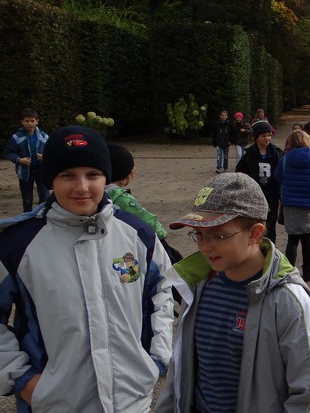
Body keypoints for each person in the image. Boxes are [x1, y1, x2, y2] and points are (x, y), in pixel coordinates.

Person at [0, 125, 173, 412]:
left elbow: (162, 291)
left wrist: (157, 359)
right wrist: (23, 380)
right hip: (56, 404)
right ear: (50, 179)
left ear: (106, 177)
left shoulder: (137, 234)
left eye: (93, 175)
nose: (82, 187)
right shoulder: (18, 244)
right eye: (67, 175)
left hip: (131, 400)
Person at [156, 172, 310, 412]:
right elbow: (180, 370)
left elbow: (307, 393)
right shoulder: (197, 285)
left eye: (218, 235)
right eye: (199, 235)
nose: (205, 247)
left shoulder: (287, 300)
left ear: (254, 233)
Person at [106, 143, 183, 263]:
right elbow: (150, 223)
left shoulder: (100, 195)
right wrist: (161, 232)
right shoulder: (122, 199)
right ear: (125, 176)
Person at [275, 130, 310, 281]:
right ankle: (307, 271)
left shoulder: (285, 160)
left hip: (290, 204)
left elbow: (277, 176)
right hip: (308, 205)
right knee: (306, 239)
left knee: (292, 240)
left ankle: (290, 271)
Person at [236, 120, 284, 244]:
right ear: (256, 137)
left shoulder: (276, 153)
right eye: (263, 136)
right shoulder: (250, 154)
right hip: (255, 196)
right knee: (255, 224)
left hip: (272, 196)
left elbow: (282, 172)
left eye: (269, 135)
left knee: (270, 225)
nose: (267, 138)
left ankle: (271, 248)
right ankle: (256, 248)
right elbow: (239, 170)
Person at [4, 108, 48, 212]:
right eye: (27, 121)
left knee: (44, 196)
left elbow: (52, 151)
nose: (30, 123)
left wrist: (45, 157)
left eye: (32, 121)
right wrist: (19, 160)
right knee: (27, 199)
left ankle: (44, 216)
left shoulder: (44, 137)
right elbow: (8, 152)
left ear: (37, 121)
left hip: (42, 171)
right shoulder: (16, 137)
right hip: (25, 172)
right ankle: (27, 217)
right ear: (22, 122)